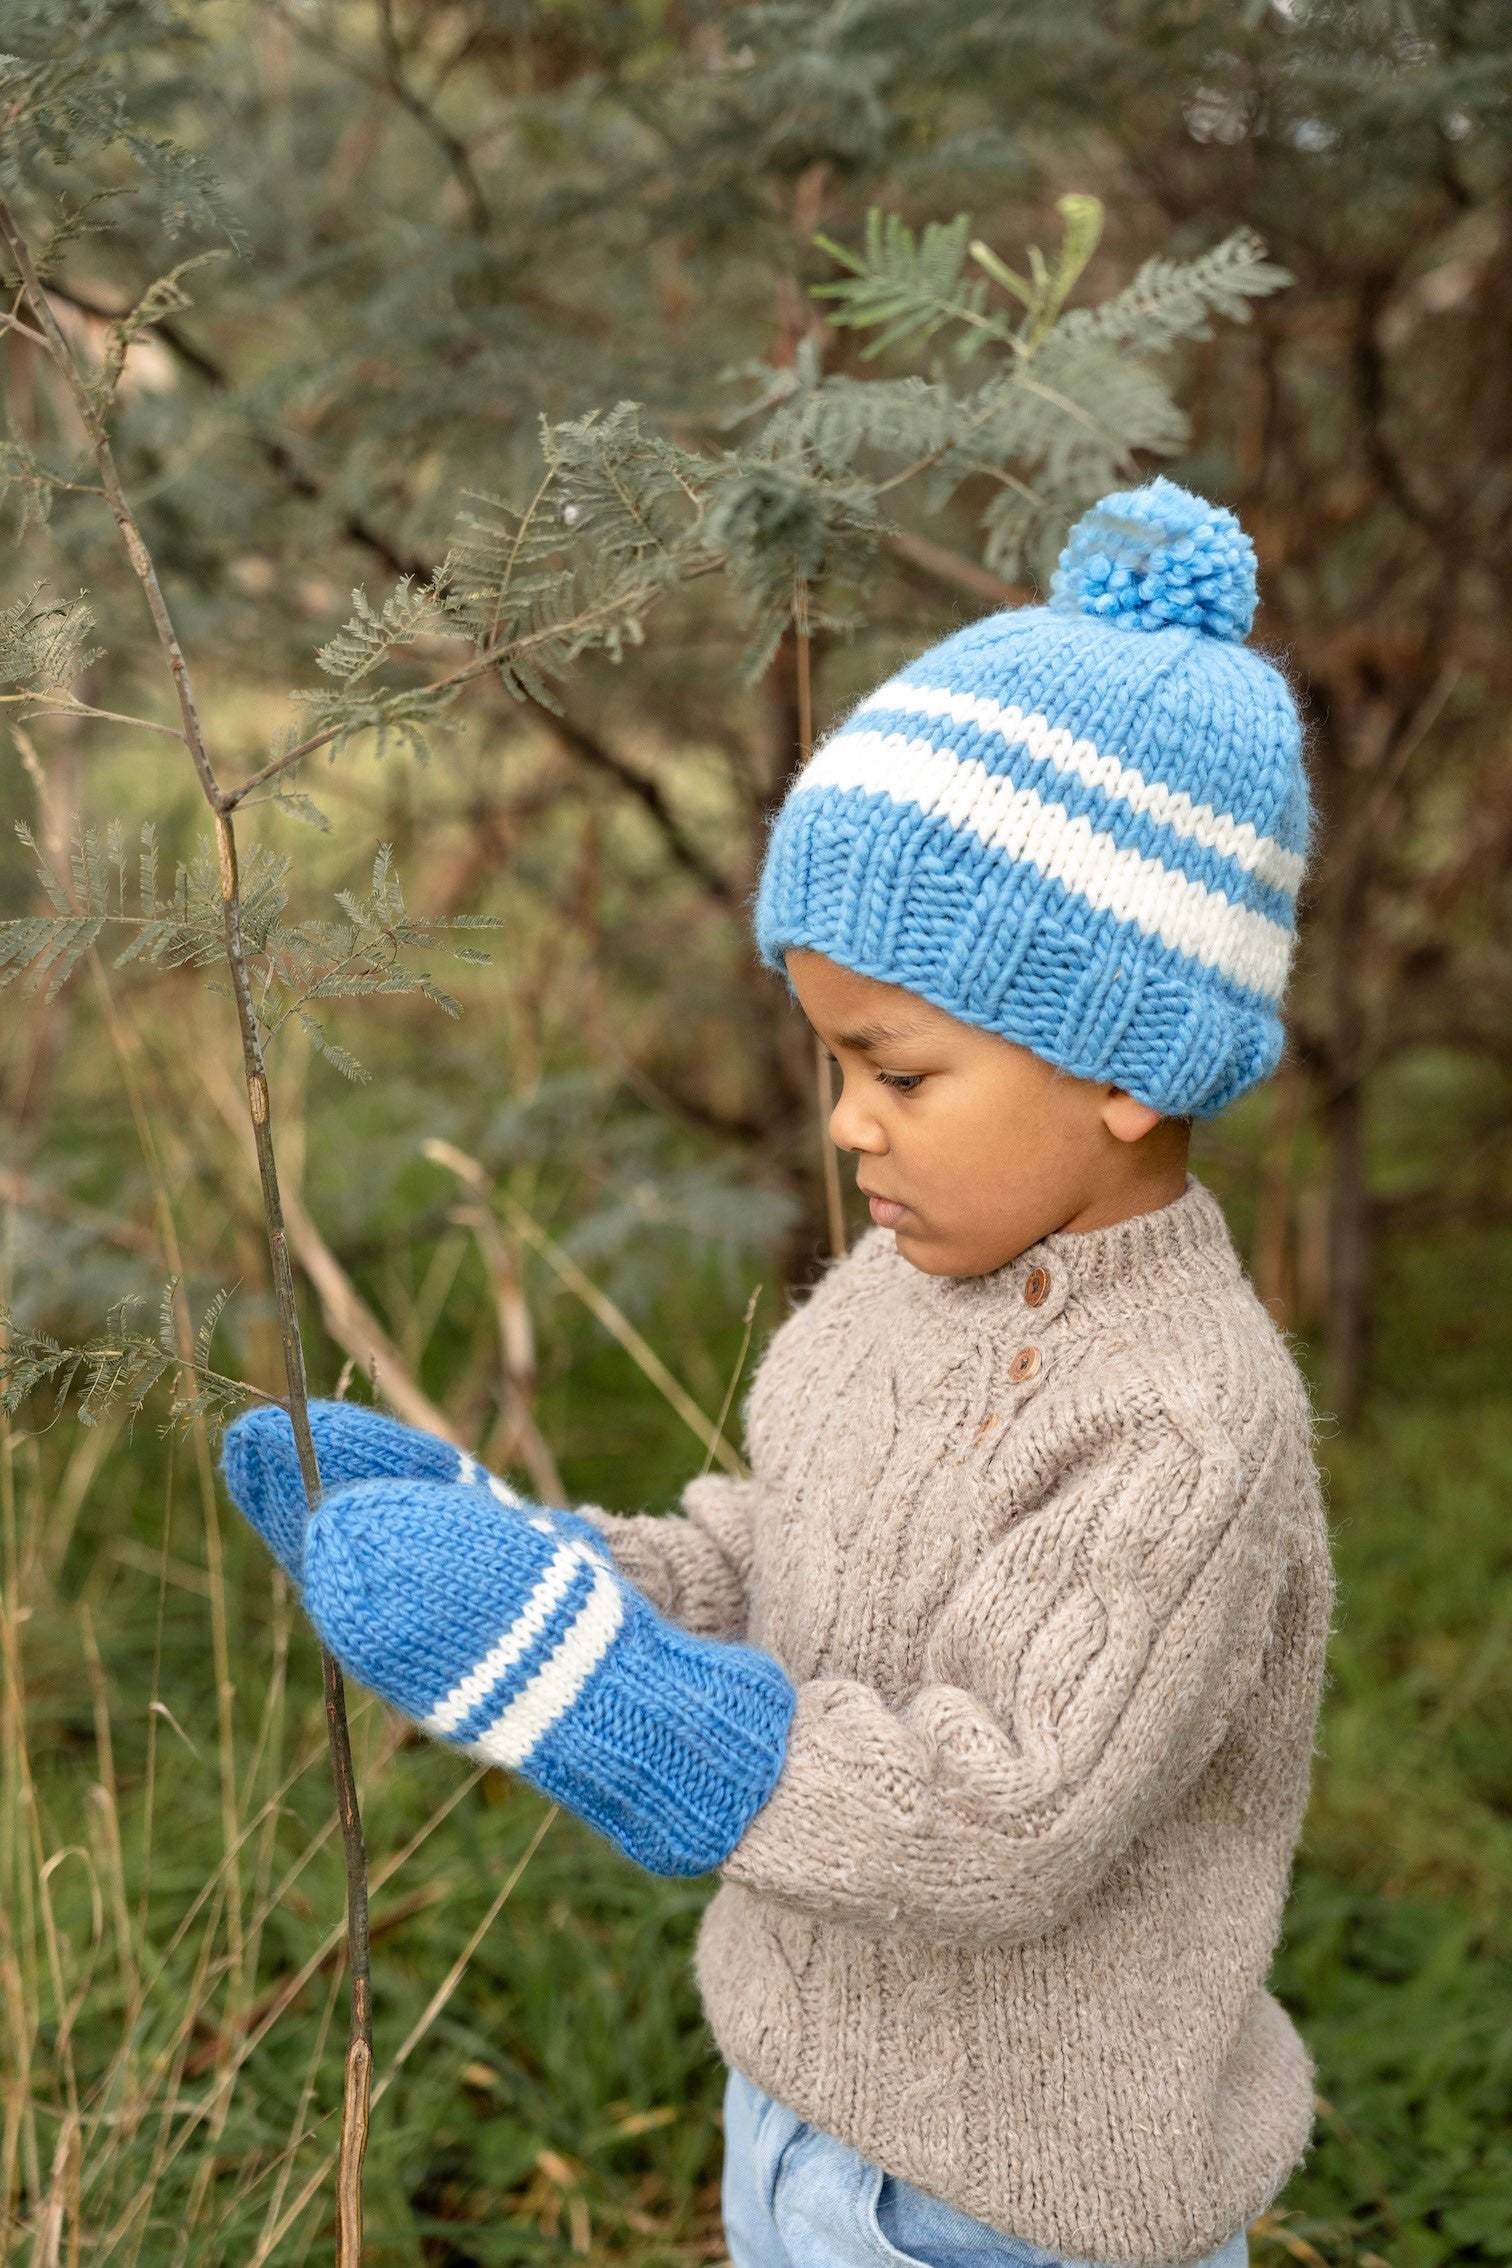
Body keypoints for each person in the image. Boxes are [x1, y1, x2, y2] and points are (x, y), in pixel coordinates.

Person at [223, 477, 1332, 2268]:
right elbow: (778, 1561)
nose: (844, 1124)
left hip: (1013, 2202)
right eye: (830, 1059)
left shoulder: (1184, 1418)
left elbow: (1011, 1814)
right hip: (799, 2109)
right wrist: (548, 1564)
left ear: (1124, 1063)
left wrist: (608, 1704)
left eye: (898, 1072)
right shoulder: (888, 1296)